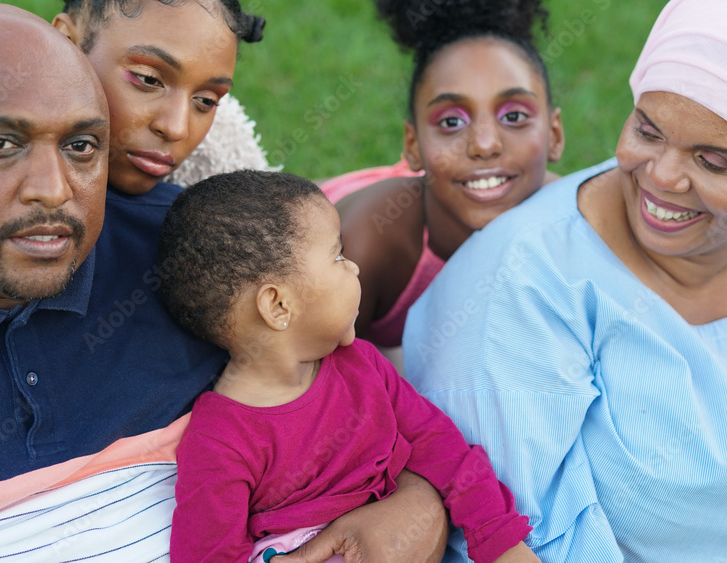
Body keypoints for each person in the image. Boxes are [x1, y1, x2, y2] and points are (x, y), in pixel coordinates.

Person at [0, 6, 448, 561]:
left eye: (82, 146)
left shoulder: (196, 261)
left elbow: (364, 406)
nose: (53, 188)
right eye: (0, 144)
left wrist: (417, 510)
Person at [404, 0, 727, 561]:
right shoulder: (524, 284)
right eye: (648, 130)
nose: (663, 176)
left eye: (713, 162)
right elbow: (515, 538)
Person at [158, 169, 541, 563]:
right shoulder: (218, 442)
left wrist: (501, 543)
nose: (355, 268)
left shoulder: (361, 365)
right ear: (277, 306)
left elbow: (442, 448)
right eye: (338, 256)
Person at [0, 0, 272, 208]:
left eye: (206, 99)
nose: (177, 127)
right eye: (148, 79)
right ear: (68, 42)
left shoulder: (222, 160)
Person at [323, 0, 564, 349]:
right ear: (414, 143)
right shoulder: (367, 242)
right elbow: (310, 382)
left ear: (554, 134)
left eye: (513, 116)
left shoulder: (568, 222)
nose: (484, 144)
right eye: (451, 122)